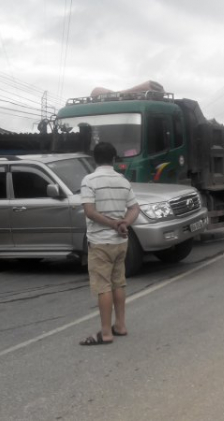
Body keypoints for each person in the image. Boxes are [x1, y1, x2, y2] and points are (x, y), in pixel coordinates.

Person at [79, 142, 140, 346]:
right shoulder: (123, 181)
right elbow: (134, 208)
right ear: (114, 159)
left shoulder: (89, 180)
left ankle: (105, 333)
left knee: (103, 286)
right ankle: (120, 325)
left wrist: (112, 224)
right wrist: (124, 223)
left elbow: (90, 211)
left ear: (94, 159)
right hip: (120, 242)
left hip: (100, 242)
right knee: (118, 283)